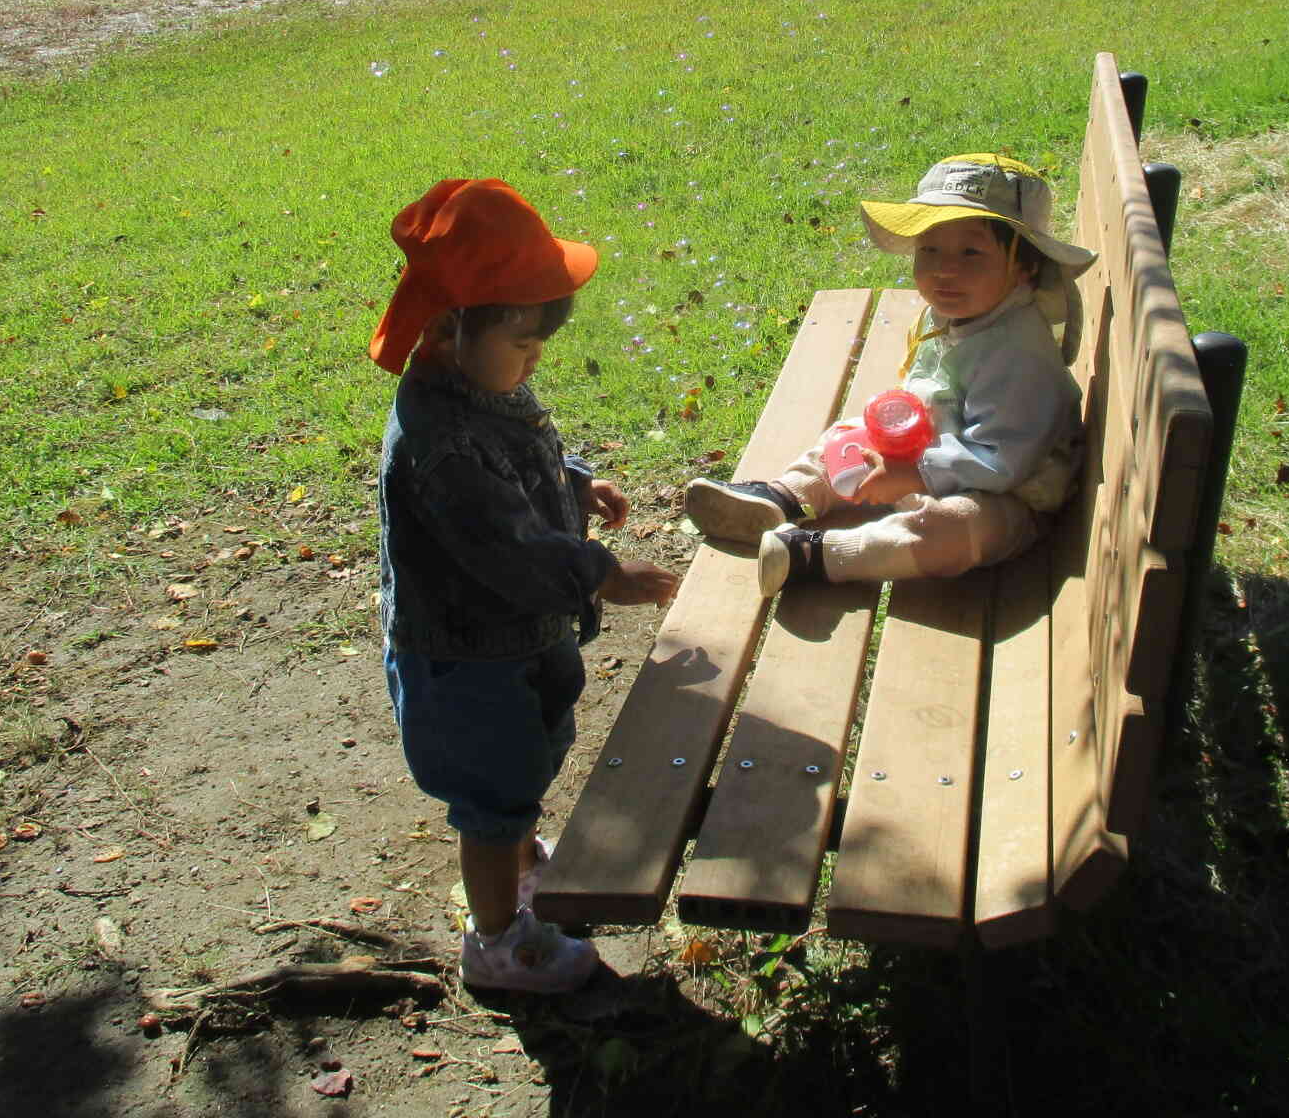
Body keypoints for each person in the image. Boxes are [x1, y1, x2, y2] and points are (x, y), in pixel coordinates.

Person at [370, 178, 680, 994]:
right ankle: (498, 938)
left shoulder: (480, 386)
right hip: (465, 665)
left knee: (525, 763)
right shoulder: (436, 444)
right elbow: (506, 552)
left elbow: (518, 456)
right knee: (491, 789)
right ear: (444, 331)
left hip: (516, 645)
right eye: (522, 342)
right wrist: (605, 574)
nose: (535, 358)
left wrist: (573, 483)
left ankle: (513, 858)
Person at [684, 153, 1091, 594]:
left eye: (971, 252)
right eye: (929, 248)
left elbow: (1002, 458)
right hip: (929, 450)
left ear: (1025, 264)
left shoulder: (1019, 355)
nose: (943, 269)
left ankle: (815, 555)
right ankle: (784, 496)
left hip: (1011, 496)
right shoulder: (961, 312)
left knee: (955, 529)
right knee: (850, 435)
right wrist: (891, 439)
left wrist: (917, 473)